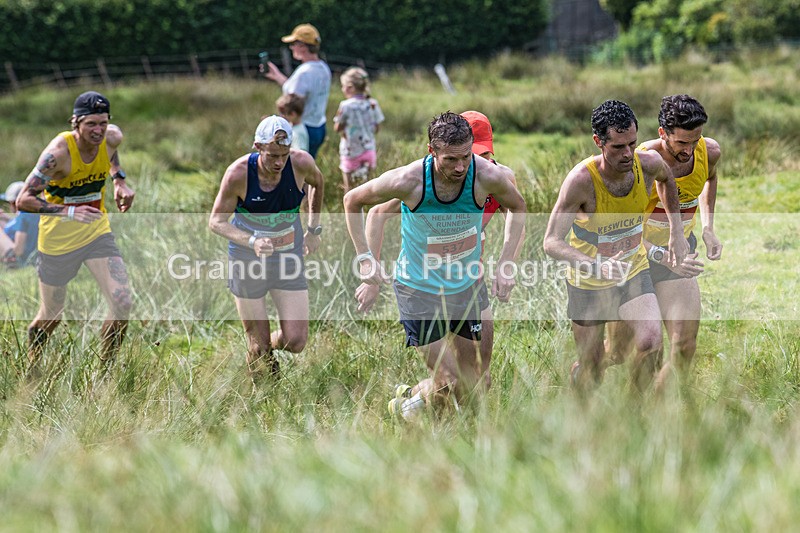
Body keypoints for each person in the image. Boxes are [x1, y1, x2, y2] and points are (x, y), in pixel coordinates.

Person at [343, 112, 526, 419]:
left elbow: (519, 207)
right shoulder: (409, 180)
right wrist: (365, 261)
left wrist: (507, 263)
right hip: (419, 290)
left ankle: (413, 402)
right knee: (452, 380)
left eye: (467, 157)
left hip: (466, 285)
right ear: (432, 151)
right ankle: (414, 410)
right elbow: (353, 200)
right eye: (451, 159)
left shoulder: (487, 176)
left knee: (476, 382)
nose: (460, 167)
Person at [542, 99, 688, 394]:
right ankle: (583, 417)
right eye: (618, 147)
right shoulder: (581, 181)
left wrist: (676, 230)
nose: (628, 153)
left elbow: (667, 180)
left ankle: (633, 414)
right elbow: (551, 242)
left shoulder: (647, 164)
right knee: (592, 368)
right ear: (598, 141)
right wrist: (597, 265)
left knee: (650, 343)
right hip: (588, 280)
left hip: (634, 270)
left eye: (632, 144)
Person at [605, 95, 722, 390]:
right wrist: (659, 252)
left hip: (676, 260)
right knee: (619, 353)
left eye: (695, 140)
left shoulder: (709, 152)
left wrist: (707, 227)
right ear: (662, 134)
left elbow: (710, 178)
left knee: (684, 347)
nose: (689, 149)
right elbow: (618, 231)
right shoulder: (640, 162)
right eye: (682, 143)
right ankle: (586, 380)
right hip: (635, 261)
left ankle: (650, 419)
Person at [15, 90, 136, 371]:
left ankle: (104, 371)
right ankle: (33, 364)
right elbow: (23, 199)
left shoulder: (112, 137)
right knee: (52, 314)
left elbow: (112, 152)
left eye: (103, 123)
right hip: (57, 242)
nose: (98, 131)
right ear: (76, 123)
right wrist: (69, 212)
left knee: (122, 302)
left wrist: (118, 180)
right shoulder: (57, 154)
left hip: (96, 234)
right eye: (91, 124)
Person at [209, 115, 324, 381]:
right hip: (247, 259)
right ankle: (261, 391)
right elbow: (216, 222)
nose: (278, 163)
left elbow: (319, 183)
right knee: (256, 345)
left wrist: (313, 229)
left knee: (296, 340)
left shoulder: (301, 163)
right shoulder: (238, 174)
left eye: (283, 155)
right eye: (272, 155)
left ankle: (264, 353)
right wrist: (252, 241)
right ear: (257, 147)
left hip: (288, 257)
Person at [262, 23, 331, 159]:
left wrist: (274, 125)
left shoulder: (303, 73)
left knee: (296, 171)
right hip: (319, 127)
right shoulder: (323, 68)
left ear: (303, 46)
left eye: (294, 44)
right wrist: (277, 75)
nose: (292, 47)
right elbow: (296, 91)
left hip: (302, 130)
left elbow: (292, 103)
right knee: (308, 168)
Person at [333, 67, 385, 192]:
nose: (342, 89)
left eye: (343, 86)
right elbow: (377, 127)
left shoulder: (345, 105)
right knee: (369, 187)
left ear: (350, 87)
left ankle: (350, 210)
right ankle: (368, 208)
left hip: (350, 150)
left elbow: (337, 127)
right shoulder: (373, 103)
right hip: (369, 149)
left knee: (349, 188)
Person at [0, 181, 39, 267]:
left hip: (18, 261)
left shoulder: (22, 218)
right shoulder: (33, 214)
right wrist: (5, 217)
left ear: (14, 203)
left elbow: (19, 251)